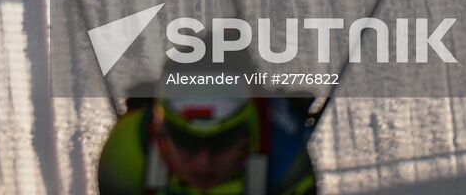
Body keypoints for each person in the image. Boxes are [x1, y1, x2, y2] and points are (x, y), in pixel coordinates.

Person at [97, 72, 318, 195]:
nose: (204, 163)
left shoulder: (287, 158)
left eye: (223, 141)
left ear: (245, 133)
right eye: (186, 141)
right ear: (162, 131)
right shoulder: (123, 158)